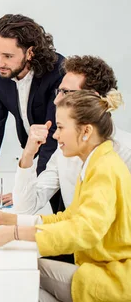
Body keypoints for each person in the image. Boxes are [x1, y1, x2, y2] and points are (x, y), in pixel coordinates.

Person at [0, 90, 131, 302]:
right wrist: (8, 219)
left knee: (20, 271)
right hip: (104, 277)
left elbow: (83, 231)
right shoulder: (96, 162)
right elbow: (69, 218)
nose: (55, 135)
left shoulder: (104, 169)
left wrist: (14, 234)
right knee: (32, 301)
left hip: (115, 284)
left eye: (61, 127)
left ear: (86, 131)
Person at [0, 14, 64, 211]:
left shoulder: (58, 71)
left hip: (62, 160)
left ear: (30, 53)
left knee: (63, 216)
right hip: (34, 156)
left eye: (8, 56)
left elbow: (51, 138)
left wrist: (27, 193)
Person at [13, 55, 131, 218]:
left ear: (92, 98)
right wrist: (28, 154)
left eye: (66, 92)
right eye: (59, 91)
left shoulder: (126, 153)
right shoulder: (64, 152)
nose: (56, 101)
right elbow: (25, 208)